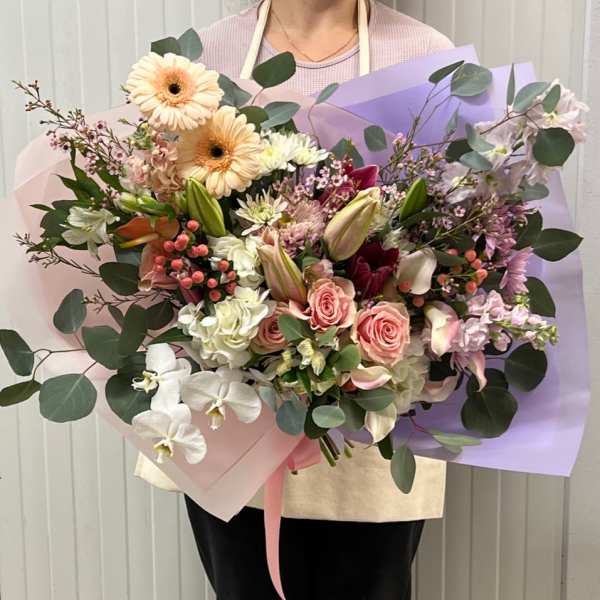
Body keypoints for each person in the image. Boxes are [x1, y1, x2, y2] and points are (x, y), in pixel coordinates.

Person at [137, 1, 454, 598]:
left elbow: (452, 235)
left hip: (370, 421)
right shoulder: (197, 62)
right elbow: (159, 215)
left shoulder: (425, 58)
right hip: (233, 412)